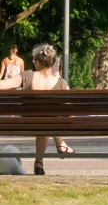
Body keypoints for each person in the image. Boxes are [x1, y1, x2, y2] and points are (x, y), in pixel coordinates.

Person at [0, 43, 72, 175]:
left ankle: (40, 161)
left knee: (43, 120)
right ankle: (57, 147)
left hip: (27, 122)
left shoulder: (27, 76)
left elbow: (3, 84)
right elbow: (70, 111)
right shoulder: (61, 84)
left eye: (34, 59)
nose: (32, 61)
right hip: (50, 123)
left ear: (38, 62)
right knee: (48, 119)